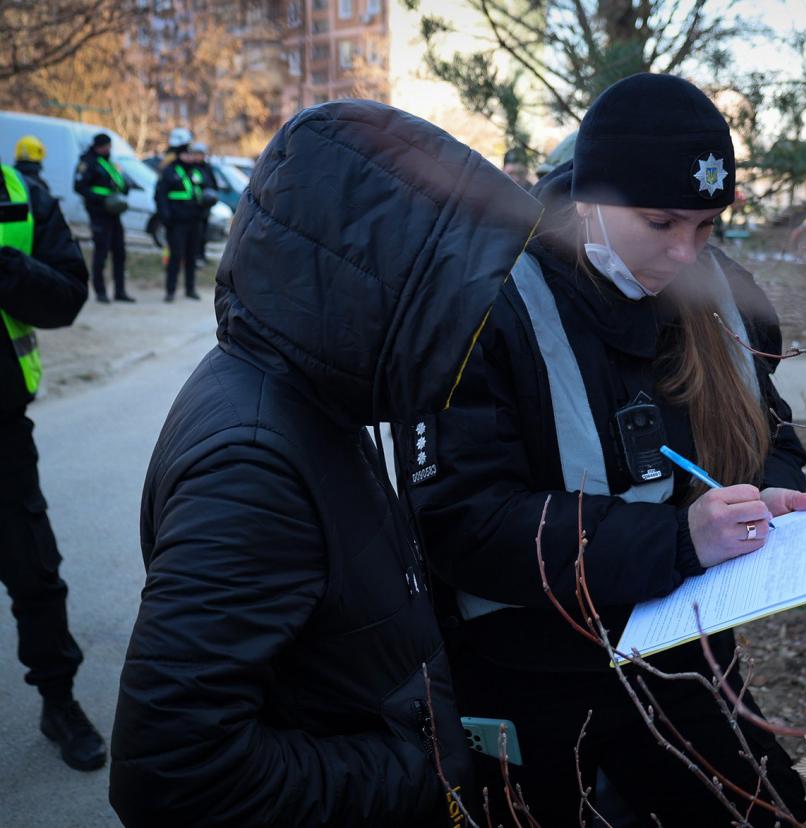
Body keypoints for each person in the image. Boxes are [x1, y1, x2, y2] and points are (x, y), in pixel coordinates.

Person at [406, 73, 806, 825]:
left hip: (684, 651)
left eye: (706, 226)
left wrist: (768, 489)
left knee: (767, 810)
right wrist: (675, 537)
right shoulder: (490, 301)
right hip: (529, 667)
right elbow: (464, 521)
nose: (683, 252)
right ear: (591, 198)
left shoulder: (718, 288)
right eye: (661, 222)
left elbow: (775, 434)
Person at [108, 99, 543, 826]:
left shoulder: (318, 392)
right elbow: (173, 773)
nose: (474, 322)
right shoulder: (253, 464)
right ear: (374, 280)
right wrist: (415, 771)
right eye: (453, 292)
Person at [1, 150, 107, 771]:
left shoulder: (19, 191)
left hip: (1, 431)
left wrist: (4, 265)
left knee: (35, 574)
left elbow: (67, 295)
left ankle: (58, 701)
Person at [74, 132, 133, 303]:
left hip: (114, 215)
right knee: (101, 252)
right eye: (106, 145)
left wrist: (124, 188)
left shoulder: (110, 163)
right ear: (99, 146)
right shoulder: (88, 163)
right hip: (99, 214)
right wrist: (101, 200)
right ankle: (100, 291)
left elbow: (120, 184)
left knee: (119, 253)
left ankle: (119, 291)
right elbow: (79, 186)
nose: (109, 148)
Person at [153, 127, 203, 301]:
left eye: (192, 155)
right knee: (175, 257)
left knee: (191, 256)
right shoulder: (170, 171)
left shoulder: (196, 171)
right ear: (180, 155)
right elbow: (160, 195)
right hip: (177, 222)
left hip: (194, 221)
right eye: (187, 155)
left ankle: (190, 289)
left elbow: (204, 192)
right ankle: (170, 290)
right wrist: (166, 217)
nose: (190, 158)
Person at [188, 141, 218, 265]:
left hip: (204, 208)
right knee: (193, 233)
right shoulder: (190, 168)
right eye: (196, 154)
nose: (198, 157)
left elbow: (213, 185)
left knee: (203, 233)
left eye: (200, 154)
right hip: (193, 207)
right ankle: (192, 255)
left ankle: (201, 254)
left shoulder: (208, 168)